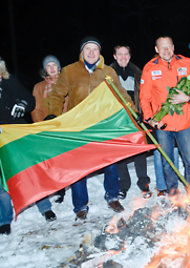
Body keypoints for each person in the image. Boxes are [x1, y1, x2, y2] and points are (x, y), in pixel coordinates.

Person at [48, 36, 134, 220]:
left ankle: (112, 196)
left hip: (102, 124)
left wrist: (133, 111)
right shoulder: (70, 71)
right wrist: (53, 115)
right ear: (82, 52)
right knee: (79, 166)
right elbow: (57, 95)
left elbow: (122, 94)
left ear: (100, 52)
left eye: (95, 49)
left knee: (110, 162)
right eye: (88, 49)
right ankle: (80, 205)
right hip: (78, 126)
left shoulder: (108, 71)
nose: (91, 53)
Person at [1, 57, 56, 235]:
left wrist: (22, 104)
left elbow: (30, 100)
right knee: (1, 181)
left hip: (16, 137)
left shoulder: (9, 80)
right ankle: (4, 219)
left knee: (30, 172)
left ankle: (45, 207)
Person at [140, 36, 190, 196]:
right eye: (162, 48)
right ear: (156, 50)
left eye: (169, 47)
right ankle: (173, 194)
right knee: (167, 162)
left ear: (173, 47)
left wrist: (188, 98)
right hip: (162, 125)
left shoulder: (187, 64)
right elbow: (144, 98)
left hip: (184, 123)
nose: (166, 51)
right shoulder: (149, 68)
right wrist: (150, 119)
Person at [110, 45, 152, 199]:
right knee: (120, 153)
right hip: (117, 119)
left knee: (139, 151)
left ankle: (143, 183)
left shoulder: (137, 73)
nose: (123, 57)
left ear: (129, 55)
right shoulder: (108, 73)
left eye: (126, 54)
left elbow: (143, 95)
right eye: (119, 54)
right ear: (114, 56)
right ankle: (123, 185)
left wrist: (141, 113)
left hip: (135, 117)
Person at [32, 55, 68, 203]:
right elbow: (36, 109)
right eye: (49, 66)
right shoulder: (39, 87)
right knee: (52, 160)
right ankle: (58, 188)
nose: (52, 68)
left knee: (66, 158)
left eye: (54, 65)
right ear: (45, 69)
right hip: (47, 127)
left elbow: (72, 103)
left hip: (65, 125)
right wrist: (41, 126)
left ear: (59, 67)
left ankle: (69, 183)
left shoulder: (67, 83)